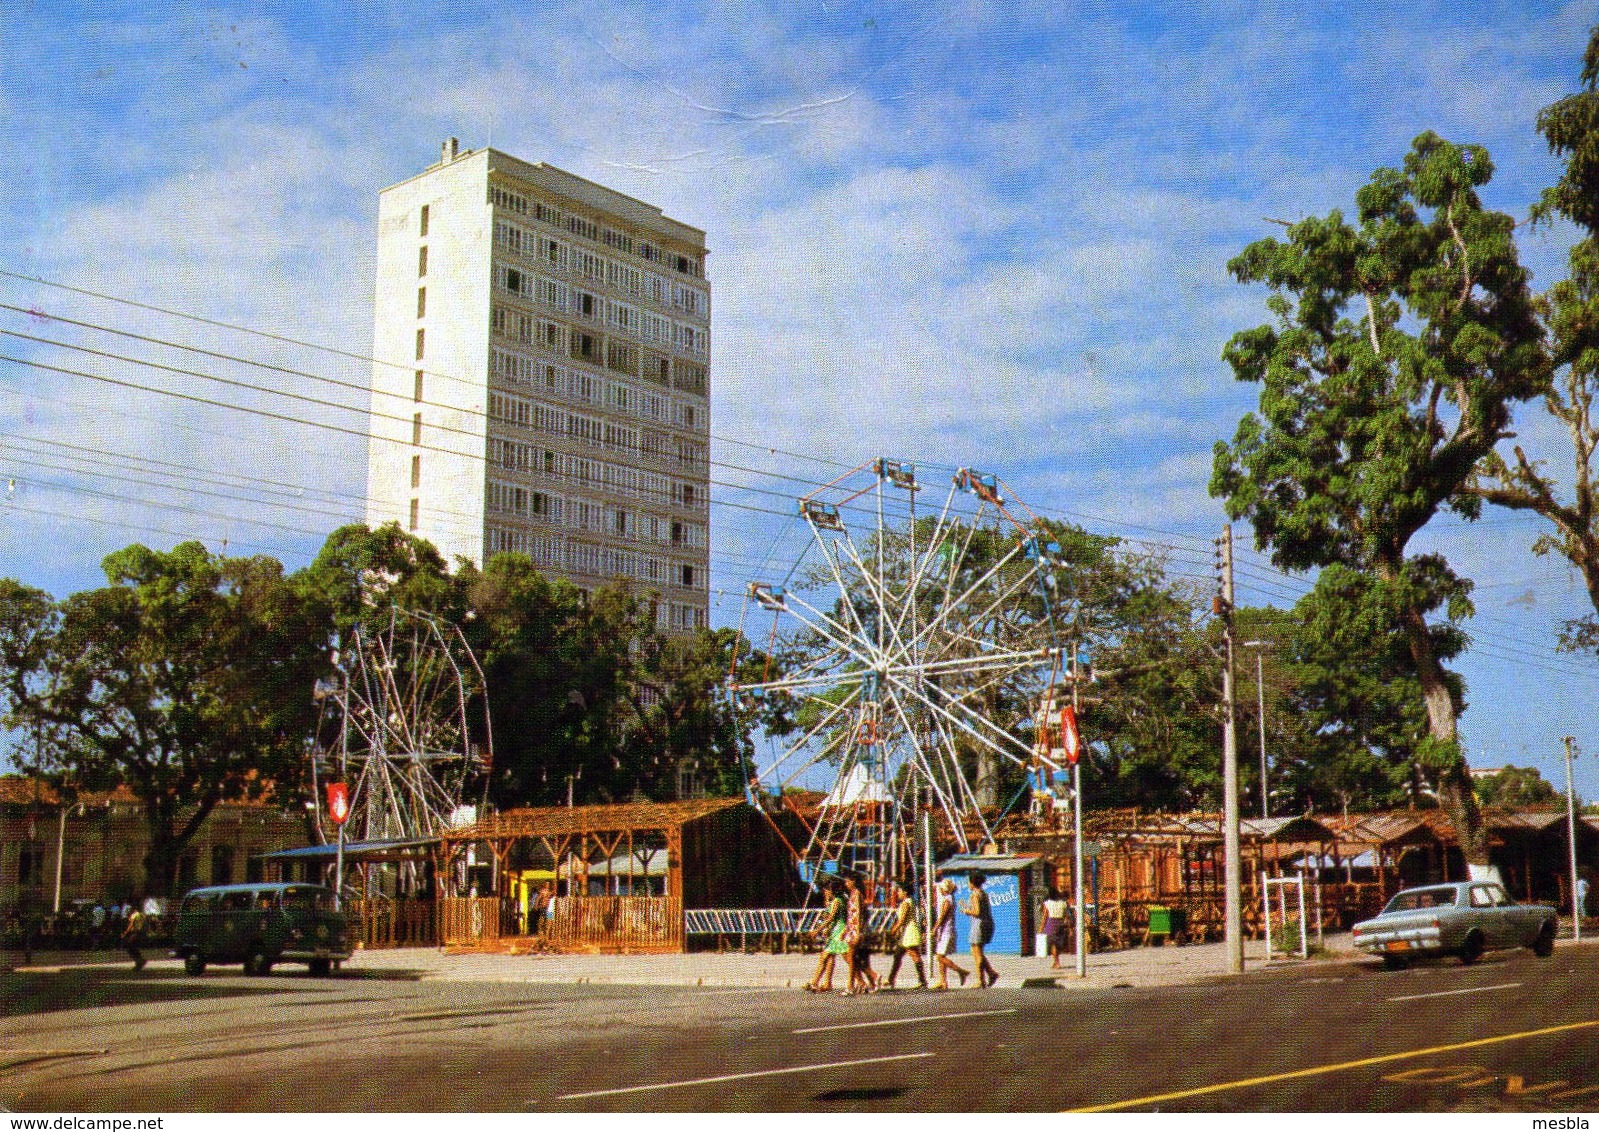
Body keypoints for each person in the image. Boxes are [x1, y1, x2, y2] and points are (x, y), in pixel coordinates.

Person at [805, 879, 847, 993]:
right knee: (829, 957)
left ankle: (815, 982)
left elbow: (831, 917)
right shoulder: (837, 900)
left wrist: (817, 930)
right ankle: (825, 982)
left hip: (838, 930)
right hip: (836, 930)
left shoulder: (837, 901)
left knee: (832, 957)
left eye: (827, 890)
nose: (825, 892)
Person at [884, 881, 928, 990]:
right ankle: (890, 979)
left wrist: (893, 931)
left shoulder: (906, 903)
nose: (898, 893)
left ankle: (922, 981)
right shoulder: (910, 901)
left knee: (914, 955)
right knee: (898, 955)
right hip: (907, 932)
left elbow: (901, 920)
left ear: (905, 892)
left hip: (909, 931)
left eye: (899, 891)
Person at [931, 877, 969, 990]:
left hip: (946, 931)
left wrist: (934, 928)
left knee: (939, 957)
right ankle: (943, 982)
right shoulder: (949, 898)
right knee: (941, 955)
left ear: (945, 889)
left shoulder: (947, 901)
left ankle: (961, 971)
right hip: (945, 931)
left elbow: (942, 917)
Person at [964, 872, 1000, 988]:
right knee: (977, 951)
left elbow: (977, 912)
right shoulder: (983, 893)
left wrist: (967, 911)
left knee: (977, 954)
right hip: (986, 923)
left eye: (969, 882)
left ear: (972, 883)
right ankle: (991, 973)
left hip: (978, 925)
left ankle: (980, 980)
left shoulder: (975, 894)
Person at [1041, 885, 1071, 969]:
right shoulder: (1064, 903)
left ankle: (1057, 962)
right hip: (1060, 924)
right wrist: (1069, 927)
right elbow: (1067, 916)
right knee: (1058, 944)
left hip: (1050, 924)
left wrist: (1041, 928)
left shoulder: (1047, 903)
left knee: (1052, 944)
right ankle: (1055, 962)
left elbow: (1044, 917)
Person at [121, 902, 147, 970]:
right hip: (140, 933)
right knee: (133, 948)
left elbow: (131, 925)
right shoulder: (142, 915)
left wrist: (125, 933)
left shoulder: (134, 915)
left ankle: (139, 961)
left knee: (130, 947)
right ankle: (140, 961)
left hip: (135, 933)